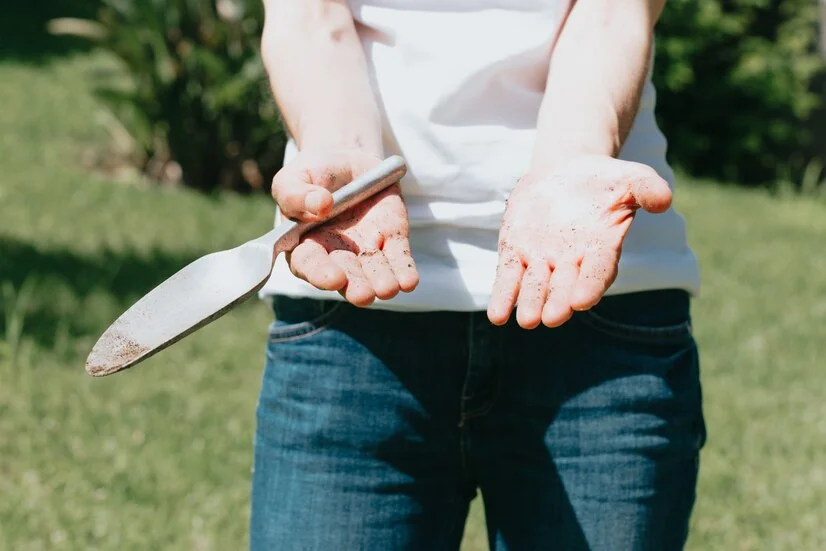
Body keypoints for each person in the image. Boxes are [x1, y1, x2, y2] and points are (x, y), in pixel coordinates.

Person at [252, 0, 706, 549]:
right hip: (348, 318)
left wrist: (573, 161)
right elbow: (309, 19)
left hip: (600, 309)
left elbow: (611, 15)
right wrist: (345, 165)